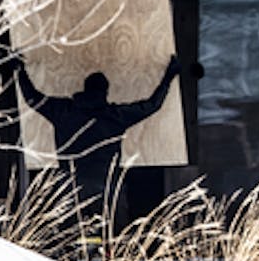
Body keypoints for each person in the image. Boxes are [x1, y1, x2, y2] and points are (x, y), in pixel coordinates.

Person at [13, 55, 184, 222]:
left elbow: (33, 98)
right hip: (105, 187)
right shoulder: (114, 116)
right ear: (105, 92)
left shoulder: (64, 111)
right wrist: (169, 75)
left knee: (70, 238)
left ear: (84, 88)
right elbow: (152, 105)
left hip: (70, 187)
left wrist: (20, 70)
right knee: (107, 234)